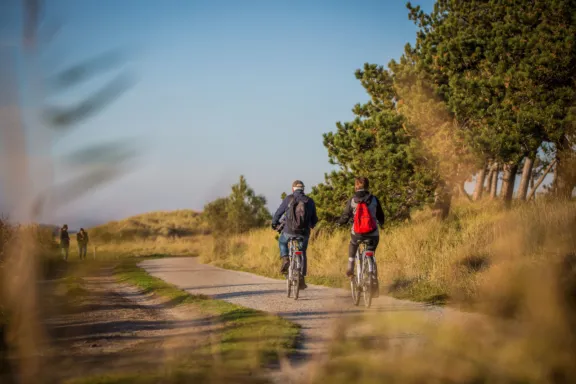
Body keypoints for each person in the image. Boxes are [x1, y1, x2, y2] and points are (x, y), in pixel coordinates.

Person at [337, 177, 385, 285]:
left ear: (356, 186)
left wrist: (339, 223)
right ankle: (372, 271)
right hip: (372, 233)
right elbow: (381, 215)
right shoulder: (374, 199)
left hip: (357, 233)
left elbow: (345, 216)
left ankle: (350, 265)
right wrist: (381, 223)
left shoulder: (352, 200)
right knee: (371, 250)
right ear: (367, 186)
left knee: (353, 243)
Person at [271, 180, 318, 289]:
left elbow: (278, 213)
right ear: (303, 189)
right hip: (303, 233)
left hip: (288, 231)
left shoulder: (288, 199)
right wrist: (310, 225)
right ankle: (301, 277)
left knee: (282, 242)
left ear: (293, 189)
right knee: (302, 252)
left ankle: (286, 258)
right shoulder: (309, 201)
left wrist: (274, 223)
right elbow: (314, 219)